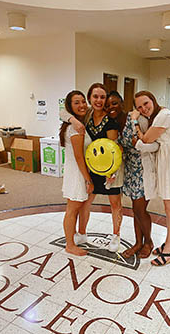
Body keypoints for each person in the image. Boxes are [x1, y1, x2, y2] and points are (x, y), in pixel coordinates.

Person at [131, 90, 170, 266]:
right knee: (169, 208)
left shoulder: (164, 115)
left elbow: (146, 139)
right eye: (139, 107)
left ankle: (169, 251)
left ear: (153, 99)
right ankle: (169, 243)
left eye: (146, 103)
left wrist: (135, 122)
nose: (144, 108)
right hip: (168, 163)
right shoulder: (158, 116)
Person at [60, 83, 122, 252]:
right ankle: (81, 233)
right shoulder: (84, 117)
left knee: (115, 203)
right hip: (89, 169)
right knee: (85, 203)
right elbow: (63, 111)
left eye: (102, 97)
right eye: (95, 97)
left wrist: (113, 172)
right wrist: (72, 119)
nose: (99, 100)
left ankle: (116, 236)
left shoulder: (110, 122)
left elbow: (114, 148)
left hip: (110, 169)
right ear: (90, 99)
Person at [105, 91, 159, 258]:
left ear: (122, 103)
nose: (111, 107)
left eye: (114, 103)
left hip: (143, 169)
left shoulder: (137, 119)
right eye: (107, 105)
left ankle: (148, 242)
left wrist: (140, 144)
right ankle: (138, 243)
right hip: (129, 170)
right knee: (136, 210)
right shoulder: (112, 124)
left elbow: (155, 144)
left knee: (140, 209)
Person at [59, 90, 94, 256]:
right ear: (70, 107)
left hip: (78, 171)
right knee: (72, 209)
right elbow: (79, 157)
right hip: (77, 173)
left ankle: (74, 239)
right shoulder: (74, 128)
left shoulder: (79, 122)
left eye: (82, 101)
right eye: (76, 102)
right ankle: (69, 244)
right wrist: (88, 180)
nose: (81, 105)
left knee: (76, 207)